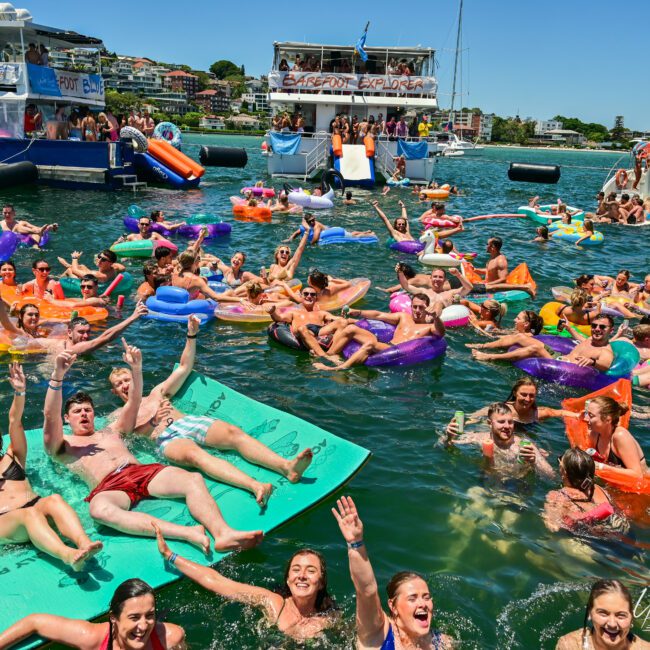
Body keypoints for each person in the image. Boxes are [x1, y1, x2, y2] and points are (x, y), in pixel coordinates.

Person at [44, 345, 263, 552]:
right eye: (77, 411)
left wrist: (137, 369)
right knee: (99, 510)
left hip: (142, 471)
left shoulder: (112, 429)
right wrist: (57, 376)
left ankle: (223, 533)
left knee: (192, 479)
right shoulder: (63, 445)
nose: (84, 414)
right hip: (110, 486)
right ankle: (187, 533)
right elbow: (49, 416)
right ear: (66, 419)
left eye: (88, 410)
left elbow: (134, 401)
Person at [109, 317, 313, 507]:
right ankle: (255, 485)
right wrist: (153, 422)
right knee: (195, 456)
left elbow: (183, 367)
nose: (125, 385)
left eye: (127, 380)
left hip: (187, 422)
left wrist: (191, 334)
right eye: (119, 384)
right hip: (165, 439)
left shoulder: (156, 393)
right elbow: (128, 437)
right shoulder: (117, 415)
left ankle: (286, 467)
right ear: (114, 391)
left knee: (234, 433)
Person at [153, 525, 337, 641]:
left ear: (321, 582)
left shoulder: (330, 617)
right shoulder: (273, 602)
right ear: (288, 580)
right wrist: (171, 556)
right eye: (296, 569)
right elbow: (216, 581)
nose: (302, 575)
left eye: (311, 571)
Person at [0, 363, 102, 571]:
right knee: (29, 515)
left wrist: (19, 392)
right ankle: (68, 556)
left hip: (36, 507)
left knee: (53, 499)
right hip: (7, 522)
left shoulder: (13, 455)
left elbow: (15, 422)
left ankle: (84, 543)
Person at [332, 495, 455, 650]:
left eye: (426, 597)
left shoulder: (443, 642)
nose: (422, 604)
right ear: (393, 606)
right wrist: (355, 543)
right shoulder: (378, 634)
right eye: (412, 598)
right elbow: (367, 591)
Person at [0, 578, 186, 649]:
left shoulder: (170, 638)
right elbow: (35, 621)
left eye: (149, 615)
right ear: (114, 618)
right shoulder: (93, 638)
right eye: (134, 617)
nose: (144, 625)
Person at [313, 293, 446, 371]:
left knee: (370, 343)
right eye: (415, 306)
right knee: (351, 328)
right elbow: (378, 315)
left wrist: (435, 317)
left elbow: (440, 333)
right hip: (387, 344)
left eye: (421, 307)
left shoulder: (428, 327)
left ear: (426, 307)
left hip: (398, 350)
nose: (417, 310)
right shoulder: (403, 317)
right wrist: (358, 312)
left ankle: (338, 368)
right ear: (411, 306)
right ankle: (328, 354)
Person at [469, 312, 615, 371]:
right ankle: (483, 345)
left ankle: (488, 357)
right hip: (558, 355)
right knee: (521, 337)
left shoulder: (605, 350)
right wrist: (569, 329)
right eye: (594, 326)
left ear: (611, 330)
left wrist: (593, 362)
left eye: (602, 327)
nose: (597, 329)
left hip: (562, 365)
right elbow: (582, 339)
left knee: (535, 349)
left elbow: (606, 365)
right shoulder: (591, 338)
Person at [445, 402, 554, 478]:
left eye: (510, 422)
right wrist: (449, 437)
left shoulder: (523, 446)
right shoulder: (478, 438)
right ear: (489, 423)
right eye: (501, 422)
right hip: (487, 481)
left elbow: (551, 475)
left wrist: (533, 462)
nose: (507, 426)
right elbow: (447, 447)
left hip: (515, 486)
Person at [0, 299, 147, 353]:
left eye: (87, 332)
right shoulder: (72, 348)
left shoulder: (45, 332)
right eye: (81, 332)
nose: (86, 336)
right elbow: (105, 337)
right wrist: (133, 317)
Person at [446, 377, 577, 434]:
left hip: (522, 435)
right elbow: (476, 417)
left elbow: (560, 412)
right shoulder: (502, 408)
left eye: (532, 395)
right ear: (515, 393)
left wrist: (579, 415)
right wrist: (463, 423)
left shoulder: (539, 413)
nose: (528, 399)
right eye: (523, 394)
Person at [543, 448, 629, 535]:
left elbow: (552, 527)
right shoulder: (599, 488)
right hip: (622, 529)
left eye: (560, 462)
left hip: (592, 541)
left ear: (564, 471)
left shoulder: (557, 495)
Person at [555, 579, 648, 649]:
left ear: (631, 617)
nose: (612, 624)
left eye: (621, 615)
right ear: (590, 613)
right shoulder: (570, 645)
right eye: (603, 613)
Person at [269, 286, 343, 359]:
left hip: (318, 335)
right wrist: (272, 312)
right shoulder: (294, 312)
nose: (309, 296)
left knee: (342, 321)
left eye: (312, 294)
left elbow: (335, 319)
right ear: (301, 296)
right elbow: (279, 318)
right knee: (302, 329)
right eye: (306, 294)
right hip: (302, 333)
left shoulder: (321, 313)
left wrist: (344, 316)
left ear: (316, 298)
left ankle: (332, 351)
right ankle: (324, 356)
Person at [583, 397, 647, 479]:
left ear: (608, 419)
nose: (586, 418)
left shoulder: (620, 436)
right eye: (586, 414)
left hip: (643, 487)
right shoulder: (594, 435)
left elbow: (637, 475)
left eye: (591, 416)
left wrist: (603, 467)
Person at [469, 237, 536, 297]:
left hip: (495, 289)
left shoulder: (500, 261)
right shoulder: (492, 257)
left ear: (493, 247)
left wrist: (487, 284)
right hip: (488, 285)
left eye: (487, 244)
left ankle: (525, 287)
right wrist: (475, 270)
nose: (486, 246)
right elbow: (490, 270)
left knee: (469, 293)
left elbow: (503, 279)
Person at [397, 265, 473, 308]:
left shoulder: (451, 293)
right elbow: (406, 286)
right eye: (435, 276)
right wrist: (400, 272)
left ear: (444, 280)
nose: (437, 279)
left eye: (440, 277)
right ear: (431, 278)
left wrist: (458, 275)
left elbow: (468, 288)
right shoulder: (423, 292)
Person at [58, 248, 122, 282]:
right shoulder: (114, 268)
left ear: (110, 263)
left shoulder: (98, 275)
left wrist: (75, 258)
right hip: (96, 278)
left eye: (103, 260)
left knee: (69, 270)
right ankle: (65, 267)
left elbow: (74, 270)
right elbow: (122, 267)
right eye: (99, 256)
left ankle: (58, 279)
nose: (99, 260)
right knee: (82, 266)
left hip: (91, 283)